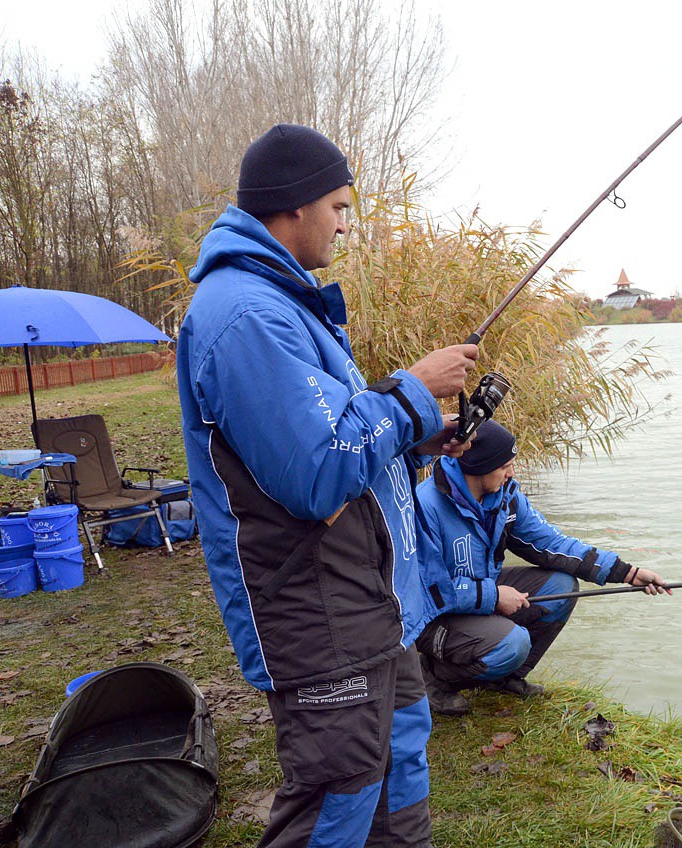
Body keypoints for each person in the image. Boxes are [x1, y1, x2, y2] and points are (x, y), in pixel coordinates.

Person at [176, 123, 476, 848]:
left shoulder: (284, 300)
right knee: (338, 797)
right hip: (316, 613)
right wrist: (410, 395)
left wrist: (415, 436)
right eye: (338, 206)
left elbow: (337, 437)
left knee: (398, 769)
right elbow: (314, 474)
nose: (345, 222)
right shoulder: (246, 316)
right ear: (294, 206)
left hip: (372, 604)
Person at [414, 420, 670, 715]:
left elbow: (554, 544)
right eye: (505, 465)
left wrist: (628, 574)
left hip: (480, 595)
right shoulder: (426, 505)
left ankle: (504, 677)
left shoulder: (505, 498)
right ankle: (431, 678)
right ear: (480, 465)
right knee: (513, 642)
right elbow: (427, 590)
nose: (512, 472)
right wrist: (495, 597)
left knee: (562, 587)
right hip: (432, 617)